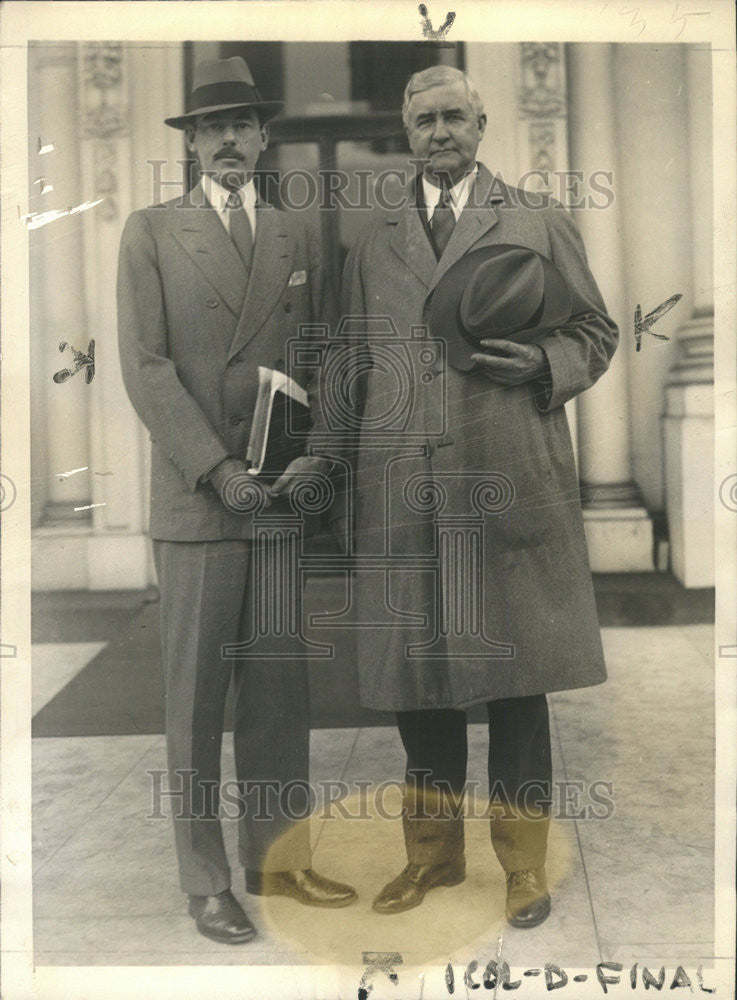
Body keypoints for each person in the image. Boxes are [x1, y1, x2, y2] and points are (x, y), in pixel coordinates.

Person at [338, 65, 618, 928]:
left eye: (454, 117)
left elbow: (596, 332)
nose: (440, 134)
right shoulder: (373, 232)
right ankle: (431, 858)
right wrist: (343, 471)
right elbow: (351, 358)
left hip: (505, 482)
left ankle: (522, 867)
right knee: (417, 682)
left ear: (484, 122)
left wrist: (543, 363)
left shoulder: (535, 218)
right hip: (405, 489)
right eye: (424, 121)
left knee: (515, 680)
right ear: (404, 128)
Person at [117, 56, 356, 946]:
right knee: (195, 701)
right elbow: (146, 371)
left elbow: (331, 356)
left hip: (281, 503)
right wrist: (217, 468)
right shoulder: (149, 232)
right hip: (201, 502)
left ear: (263, 138)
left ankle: (277, 860)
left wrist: (321, 455)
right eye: (208, 128)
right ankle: (204, 880)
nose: (225, 141)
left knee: (278, 697)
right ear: (190, 144)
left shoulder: (298, 233)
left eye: (239, 126)